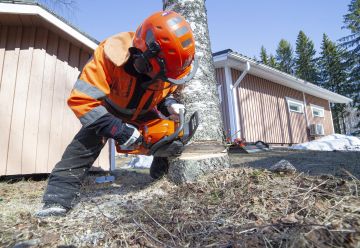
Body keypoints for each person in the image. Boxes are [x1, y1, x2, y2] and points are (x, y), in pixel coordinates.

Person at [36, 10, 196, 217]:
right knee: (84, 145)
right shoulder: (110, 55)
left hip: (145, 112)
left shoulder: (170, 64)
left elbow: (164, 94)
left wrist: (170, 105)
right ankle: (57, 198)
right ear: (145, 58)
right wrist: (118, 129)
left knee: (171, 134)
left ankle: (161, 173)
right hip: (109, 111)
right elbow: (82, 101)